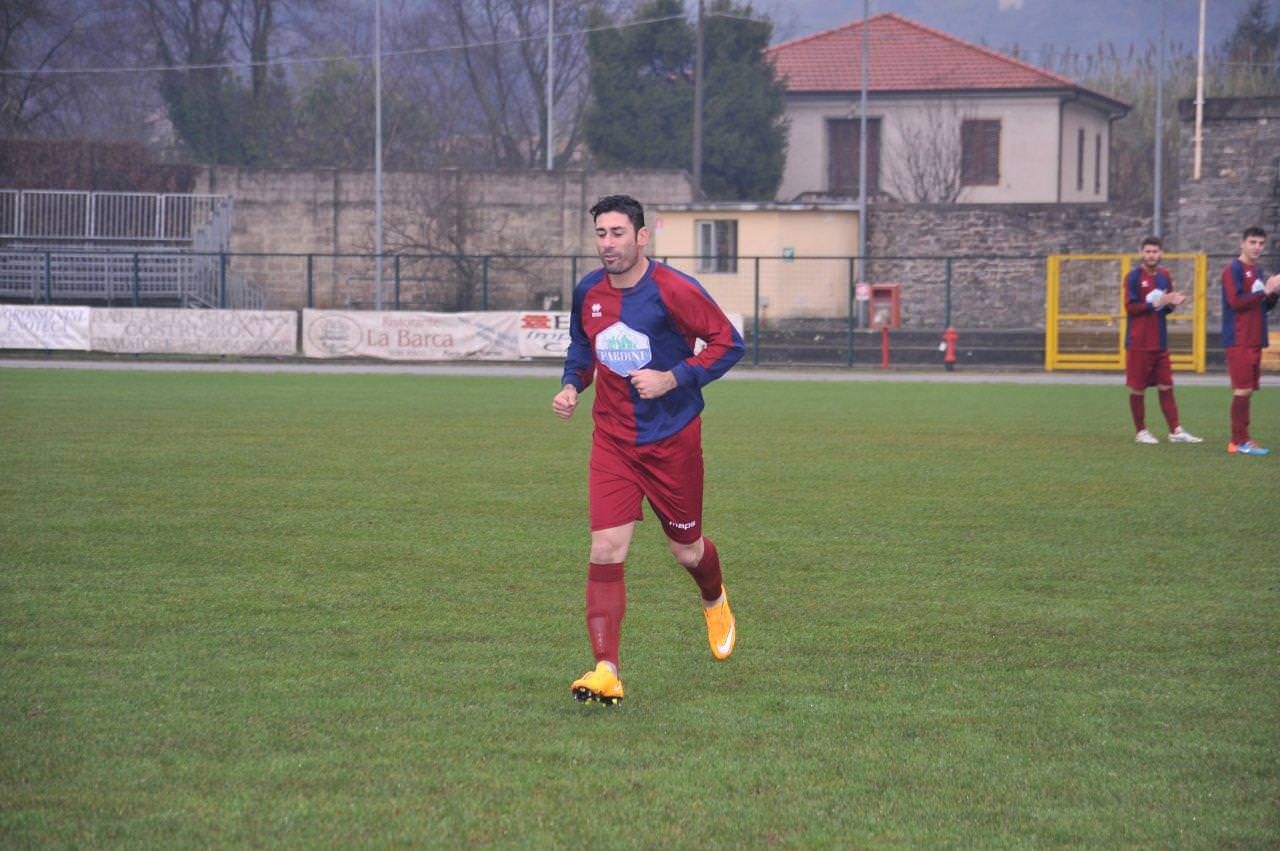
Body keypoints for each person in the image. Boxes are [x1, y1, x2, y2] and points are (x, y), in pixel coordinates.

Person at [552, 194, 745, 705]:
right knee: (605, 549)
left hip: (671, 440)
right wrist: (573, 384)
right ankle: (605, 670)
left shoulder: (674, 290)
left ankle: (714, 597)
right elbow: (581, 345)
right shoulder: (588, 291)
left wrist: (674, 377)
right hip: (612, 441)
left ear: (642, 237)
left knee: (686, 550)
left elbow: (729, 344)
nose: (608, 244)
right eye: (601, 234)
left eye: (618, 233)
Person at [1123, 235, 1202, 445]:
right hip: (1139, 343)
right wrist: (1160, 301)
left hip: (1160, 342)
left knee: (1166, 385)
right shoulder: (1132, 277)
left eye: (1155, 251)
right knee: (1138, 387)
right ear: (1142, 253)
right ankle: (1141, 431)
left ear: (1161, 253)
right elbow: (1131, 308)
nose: (1151, 255)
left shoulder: (1164, 276)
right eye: (1148, 251)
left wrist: (1173, 303)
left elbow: (1164, 309)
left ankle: (1175, 430)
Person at [1221, 226, 1280, 455]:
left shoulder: (1257, 270)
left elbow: (1263, 306)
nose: (1257, 247)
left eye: (1260, 244)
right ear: (1242, 243)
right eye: (1252, 242)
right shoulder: (1232, 270)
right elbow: (1236, 302)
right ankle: (1238, 441)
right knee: (1242, 390)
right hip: (1238, 338)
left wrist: (1273, 293)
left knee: (1248, 390)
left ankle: (1243, 438)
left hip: (1255, 338)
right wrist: (1264, 291)